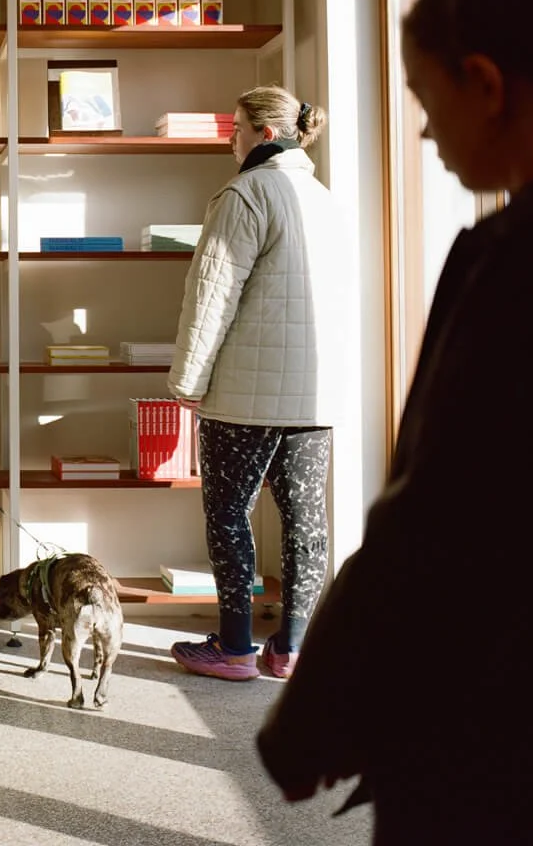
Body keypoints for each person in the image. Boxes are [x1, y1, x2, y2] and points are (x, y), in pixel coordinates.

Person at [258, 0, 533, 843]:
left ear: (486, 84)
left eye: (425, 101)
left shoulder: (510, 263)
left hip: (491, 718)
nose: (423, 133)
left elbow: (436, 514)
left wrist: (317, 717)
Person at [166, 85, 348, 682]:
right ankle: (292, 649)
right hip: (314, 395)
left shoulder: (245, 193)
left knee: (227, 514)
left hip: (244, 395)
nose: (230, 138)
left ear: (265, 135)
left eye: (238, 128)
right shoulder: (323, 199)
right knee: (306, 522)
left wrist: (187, 381)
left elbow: (211, 296)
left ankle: (236, 646)